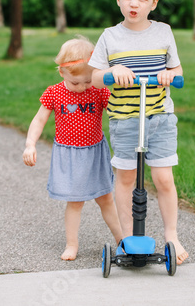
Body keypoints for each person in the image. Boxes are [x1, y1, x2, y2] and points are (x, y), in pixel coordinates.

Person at [89, 0, 188, 265]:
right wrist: (111, 71)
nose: (134, 4)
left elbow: (178, 70)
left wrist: (169, 75)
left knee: (163, 179)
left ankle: (171, 235)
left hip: (159, 117)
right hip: (125, 119)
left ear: (153, 3)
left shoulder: (163, 32)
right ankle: (127, 238)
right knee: (126, 178)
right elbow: (95, 77)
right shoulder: (110, 37)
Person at [22, 36, 122, 261]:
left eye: (87, 81)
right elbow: (38, 121)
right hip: (68, 154)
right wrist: (30, 144)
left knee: (106, 198)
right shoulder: (55, 93)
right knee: (75, 202)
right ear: (62, 73)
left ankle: (121, 240)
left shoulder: (98, 90)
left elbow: (116, 113)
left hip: (95, 152)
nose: (82, 87)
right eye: (75, 83)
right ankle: (72, 244)